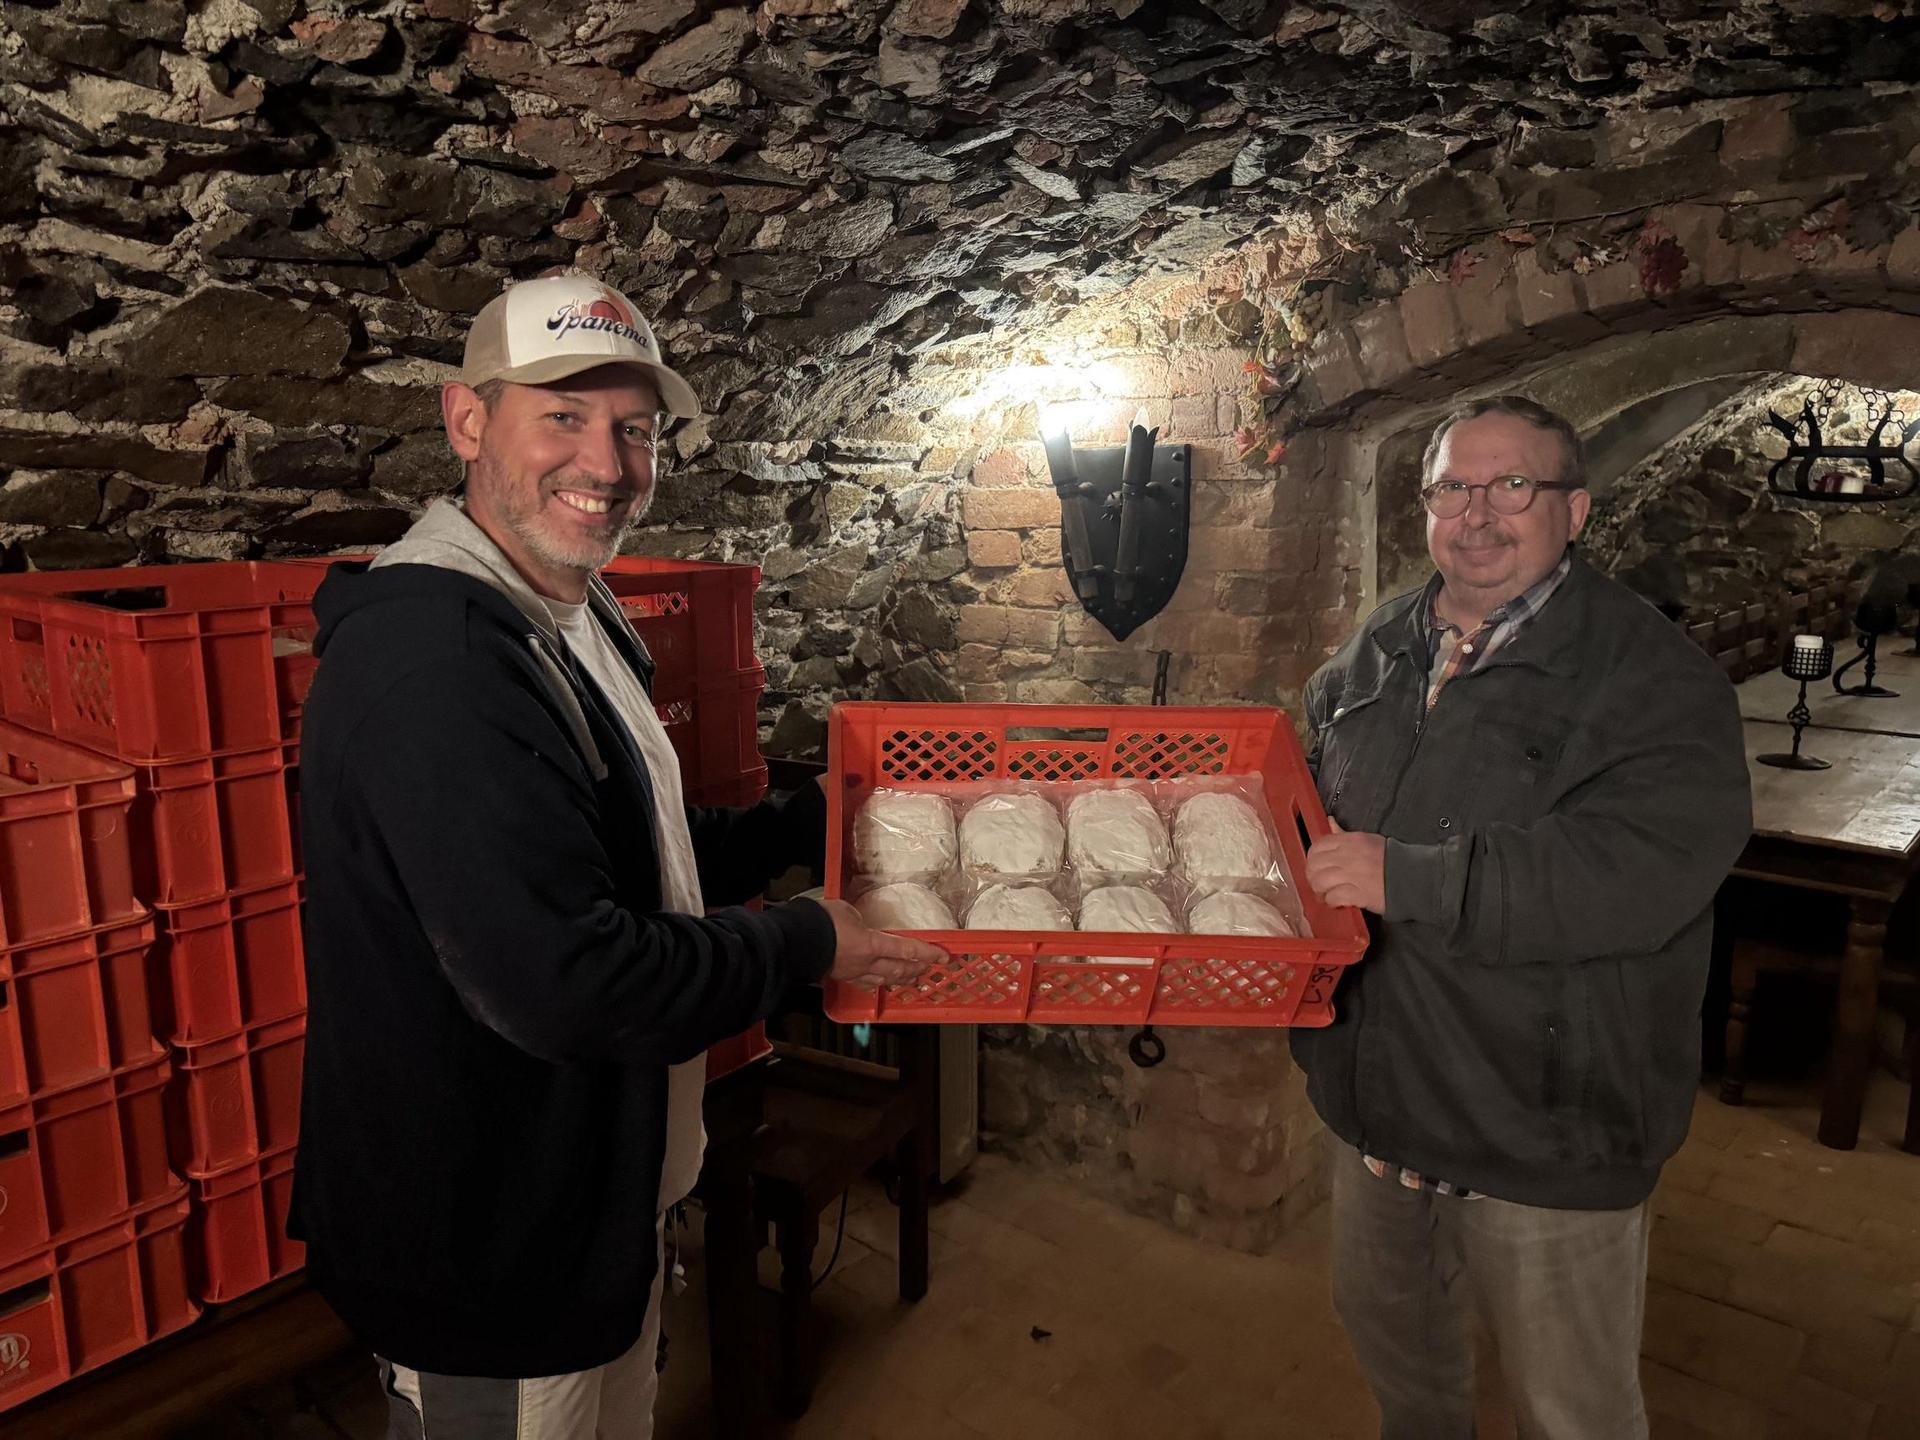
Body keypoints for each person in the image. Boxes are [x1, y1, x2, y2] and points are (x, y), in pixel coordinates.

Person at [291, 272, 942, 1439]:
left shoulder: (568, 613)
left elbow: (623, 854)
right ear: (467, 422)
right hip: (488, 1247)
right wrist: (804, 940)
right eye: (564, 415)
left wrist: (812, 826)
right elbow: (567, 980)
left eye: (633, 429)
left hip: (589, 1201)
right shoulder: (436, 666)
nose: (608, 463)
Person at [1295, 396, 1752, 1440]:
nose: (1479, 515)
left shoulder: (1656, 681)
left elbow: (1636, 874)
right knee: (1409, 1384)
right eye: (1453, 487)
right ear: (1426, 509)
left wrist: (1407, 878)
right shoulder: (1378, 646)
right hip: (1377, 1103)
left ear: (1575, 509)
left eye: (1514, 486)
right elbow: (1306, 795)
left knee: (1572, 1414)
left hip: (1544, 1127)